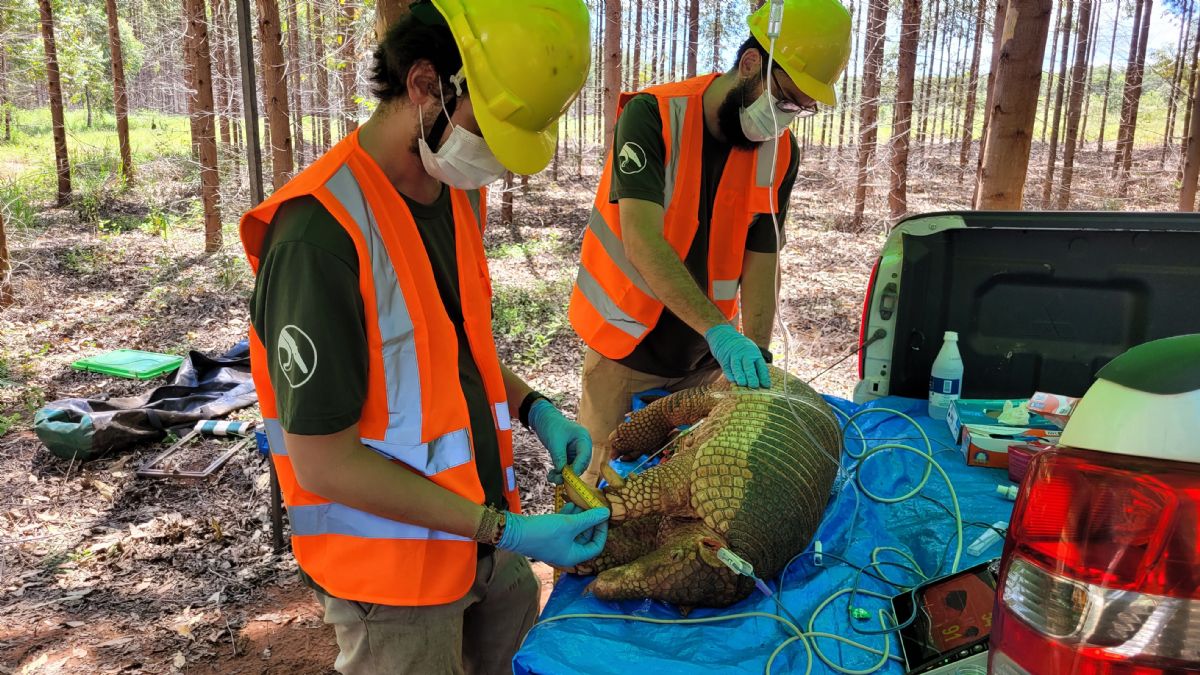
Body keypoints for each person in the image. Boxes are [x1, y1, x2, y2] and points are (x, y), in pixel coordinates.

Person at [238, 2, 603, 673]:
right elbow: (324, 461)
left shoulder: (453, 190)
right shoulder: (318, 238)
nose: (493, 154)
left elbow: (451, 347)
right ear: (425, 83)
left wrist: (533, 408)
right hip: (394, 581)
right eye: (487, 126)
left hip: (478, 542)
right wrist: (507, 528)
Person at [569, 0, 852, 484]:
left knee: (685, 490)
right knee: (598, 488)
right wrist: (720, 331)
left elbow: (762, 256)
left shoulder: (780, 151)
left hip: (706, 361)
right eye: (785, 98)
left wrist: (755, 352)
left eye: (801, 108)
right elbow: (643, 241)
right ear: (750, 64)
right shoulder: (653, 116)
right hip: (626, 349)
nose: (786, 117)